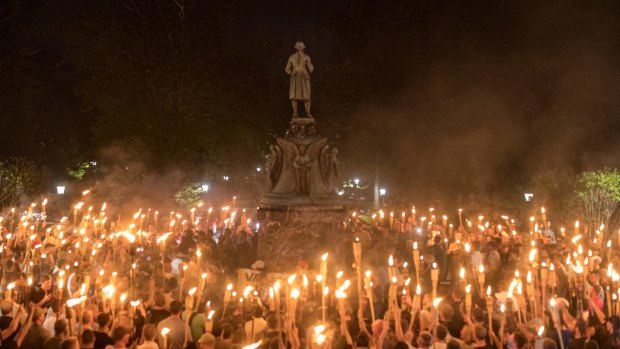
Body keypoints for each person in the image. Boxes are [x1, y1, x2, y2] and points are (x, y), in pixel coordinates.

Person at [285, 41, 314, 117]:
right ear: (296, 48)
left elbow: (311, 69)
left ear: (303, 48)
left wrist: (308, 62)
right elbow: (287, 69)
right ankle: (295, 113)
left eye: (301, 48)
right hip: (295, 77)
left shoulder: (306, 57)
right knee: (294, 96)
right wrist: (292, 72)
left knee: (307, 96)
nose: (300, 50)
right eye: (299, 48)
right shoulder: (291, 57)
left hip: (304, 77)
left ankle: (308, 112)